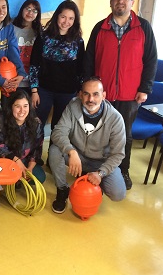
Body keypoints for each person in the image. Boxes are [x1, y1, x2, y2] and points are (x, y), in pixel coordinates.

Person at [84, 0, 158, 189]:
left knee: (124, 134)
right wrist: (88, 89)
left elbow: (151, 60)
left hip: (129, 95)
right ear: (110, 2)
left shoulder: (143, 28)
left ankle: (122, 170)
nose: (120, 1)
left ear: (132, 2)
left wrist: (145, 88)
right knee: (98, 132)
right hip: (101, 95)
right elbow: (89, 60)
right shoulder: (100, 28)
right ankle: (97, 168)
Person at [48, 77, 126, 214]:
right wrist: (71, 152)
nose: (91, 99)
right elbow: (58, 132)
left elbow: (118, 154)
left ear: (104, 95)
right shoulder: (72, 107)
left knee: (118, 194)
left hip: (101, 162)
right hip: (78, 156)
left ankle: (94, 181)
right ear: (80, 95)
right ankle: (62, 190)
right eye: (86, 94)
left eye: (96, 94)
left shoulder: (115, 118)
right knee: (54, 150)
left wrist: (101, 173)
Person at [29, 0, 85, 131]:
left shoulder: (78, 41)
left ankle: (55, 152)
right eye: (63, 17)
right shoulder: (43, 37)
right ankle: (34, 151)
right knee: (36, 125)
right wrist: (34, 90)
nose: (66, 22)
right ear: (57, 16)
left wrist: (80, 90)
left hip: (67, 92)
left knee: (60, 128)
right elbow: (34, 65)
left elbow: (81, 68)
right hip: (44, 90)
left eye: (71, 18)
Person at [0, 90, 45, 183]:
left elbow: (37, 148)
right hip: (5, 159)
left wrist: (29, 168)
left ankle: (16, 180)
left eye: (25, 106)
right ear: (11, 107)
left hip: (24, 160)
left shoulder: (36, 123)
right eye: (17, 106)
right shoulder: (1, 120)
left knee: (39, 177)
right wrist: (16, 160)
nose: (22, 111)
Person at [12, 0, 42, 93]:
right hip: (13, 79)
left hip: (32, 83)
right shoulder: (11, 28)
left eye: (34, 11)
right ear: (22, 10)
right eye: (28, 9)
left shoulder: (40, 32)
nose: (30, 13)